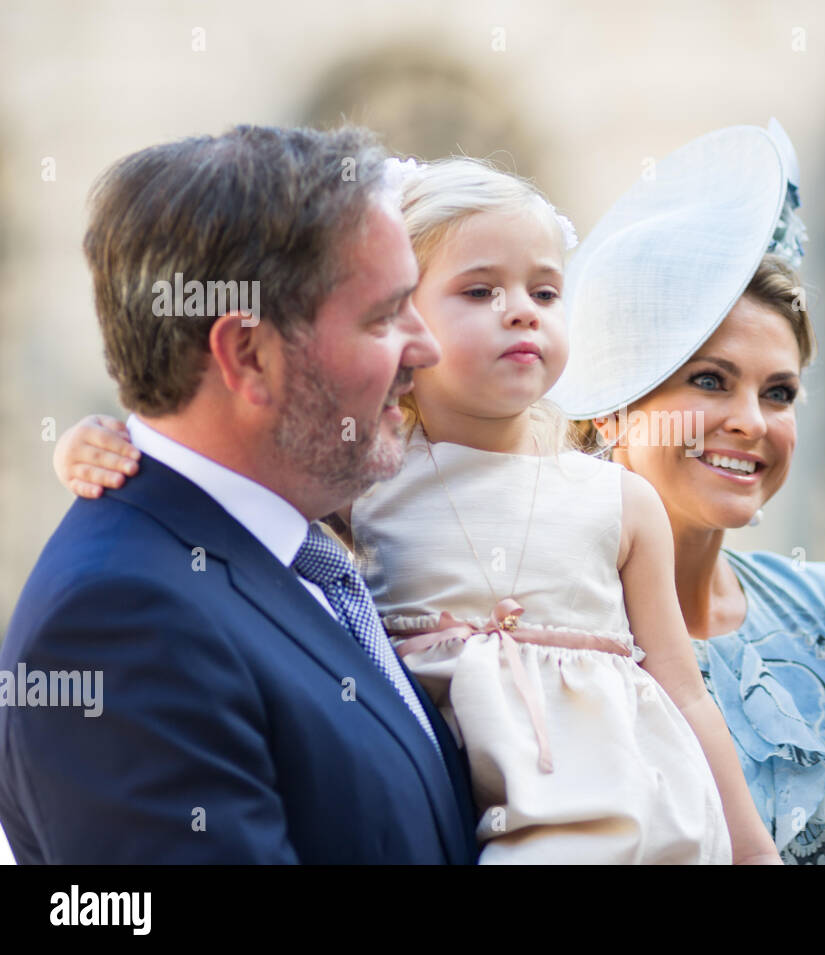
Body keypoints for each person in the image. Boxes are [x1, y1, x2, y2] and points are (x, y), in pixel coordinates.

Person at [52, 154, 780, 865]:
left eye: (547, 292)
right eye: (479, 291)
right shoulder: (361, 481)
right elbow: (220, 470)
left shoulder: (616, 497)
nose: (522, 310)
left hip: (627, 820)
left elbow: (684, 693)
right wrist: (105, 444)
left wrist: (751, 847)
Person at [2, 125, 478, 864]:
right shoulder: (122, 623)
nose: (426, 348)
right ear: (248, 355)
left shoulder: (300, 552)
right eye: (384, 316)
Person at [553, 121, 825, 864]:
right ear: (611, 403)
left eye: (779, 392)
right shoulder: (555, 647)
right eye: (710, 380)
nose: (751, 422)